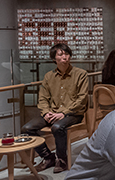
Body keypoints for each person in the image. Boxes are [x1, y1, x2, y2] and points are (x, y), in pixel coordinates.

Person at [23, 43, 89, 173]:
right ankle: (48, 157)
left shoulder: (81, 74)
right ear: (54, 59)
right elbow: (42, 98)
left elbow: (82, 99)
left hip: (73, 113)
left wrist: (63, 113)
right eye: (61, 54)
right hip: (52, 113)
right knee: (27, 128)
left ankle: (62, 160)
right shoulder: (49, 76)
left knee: (57, 127)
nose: (65, 57)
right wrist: (46, 112)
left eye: (67, 54)